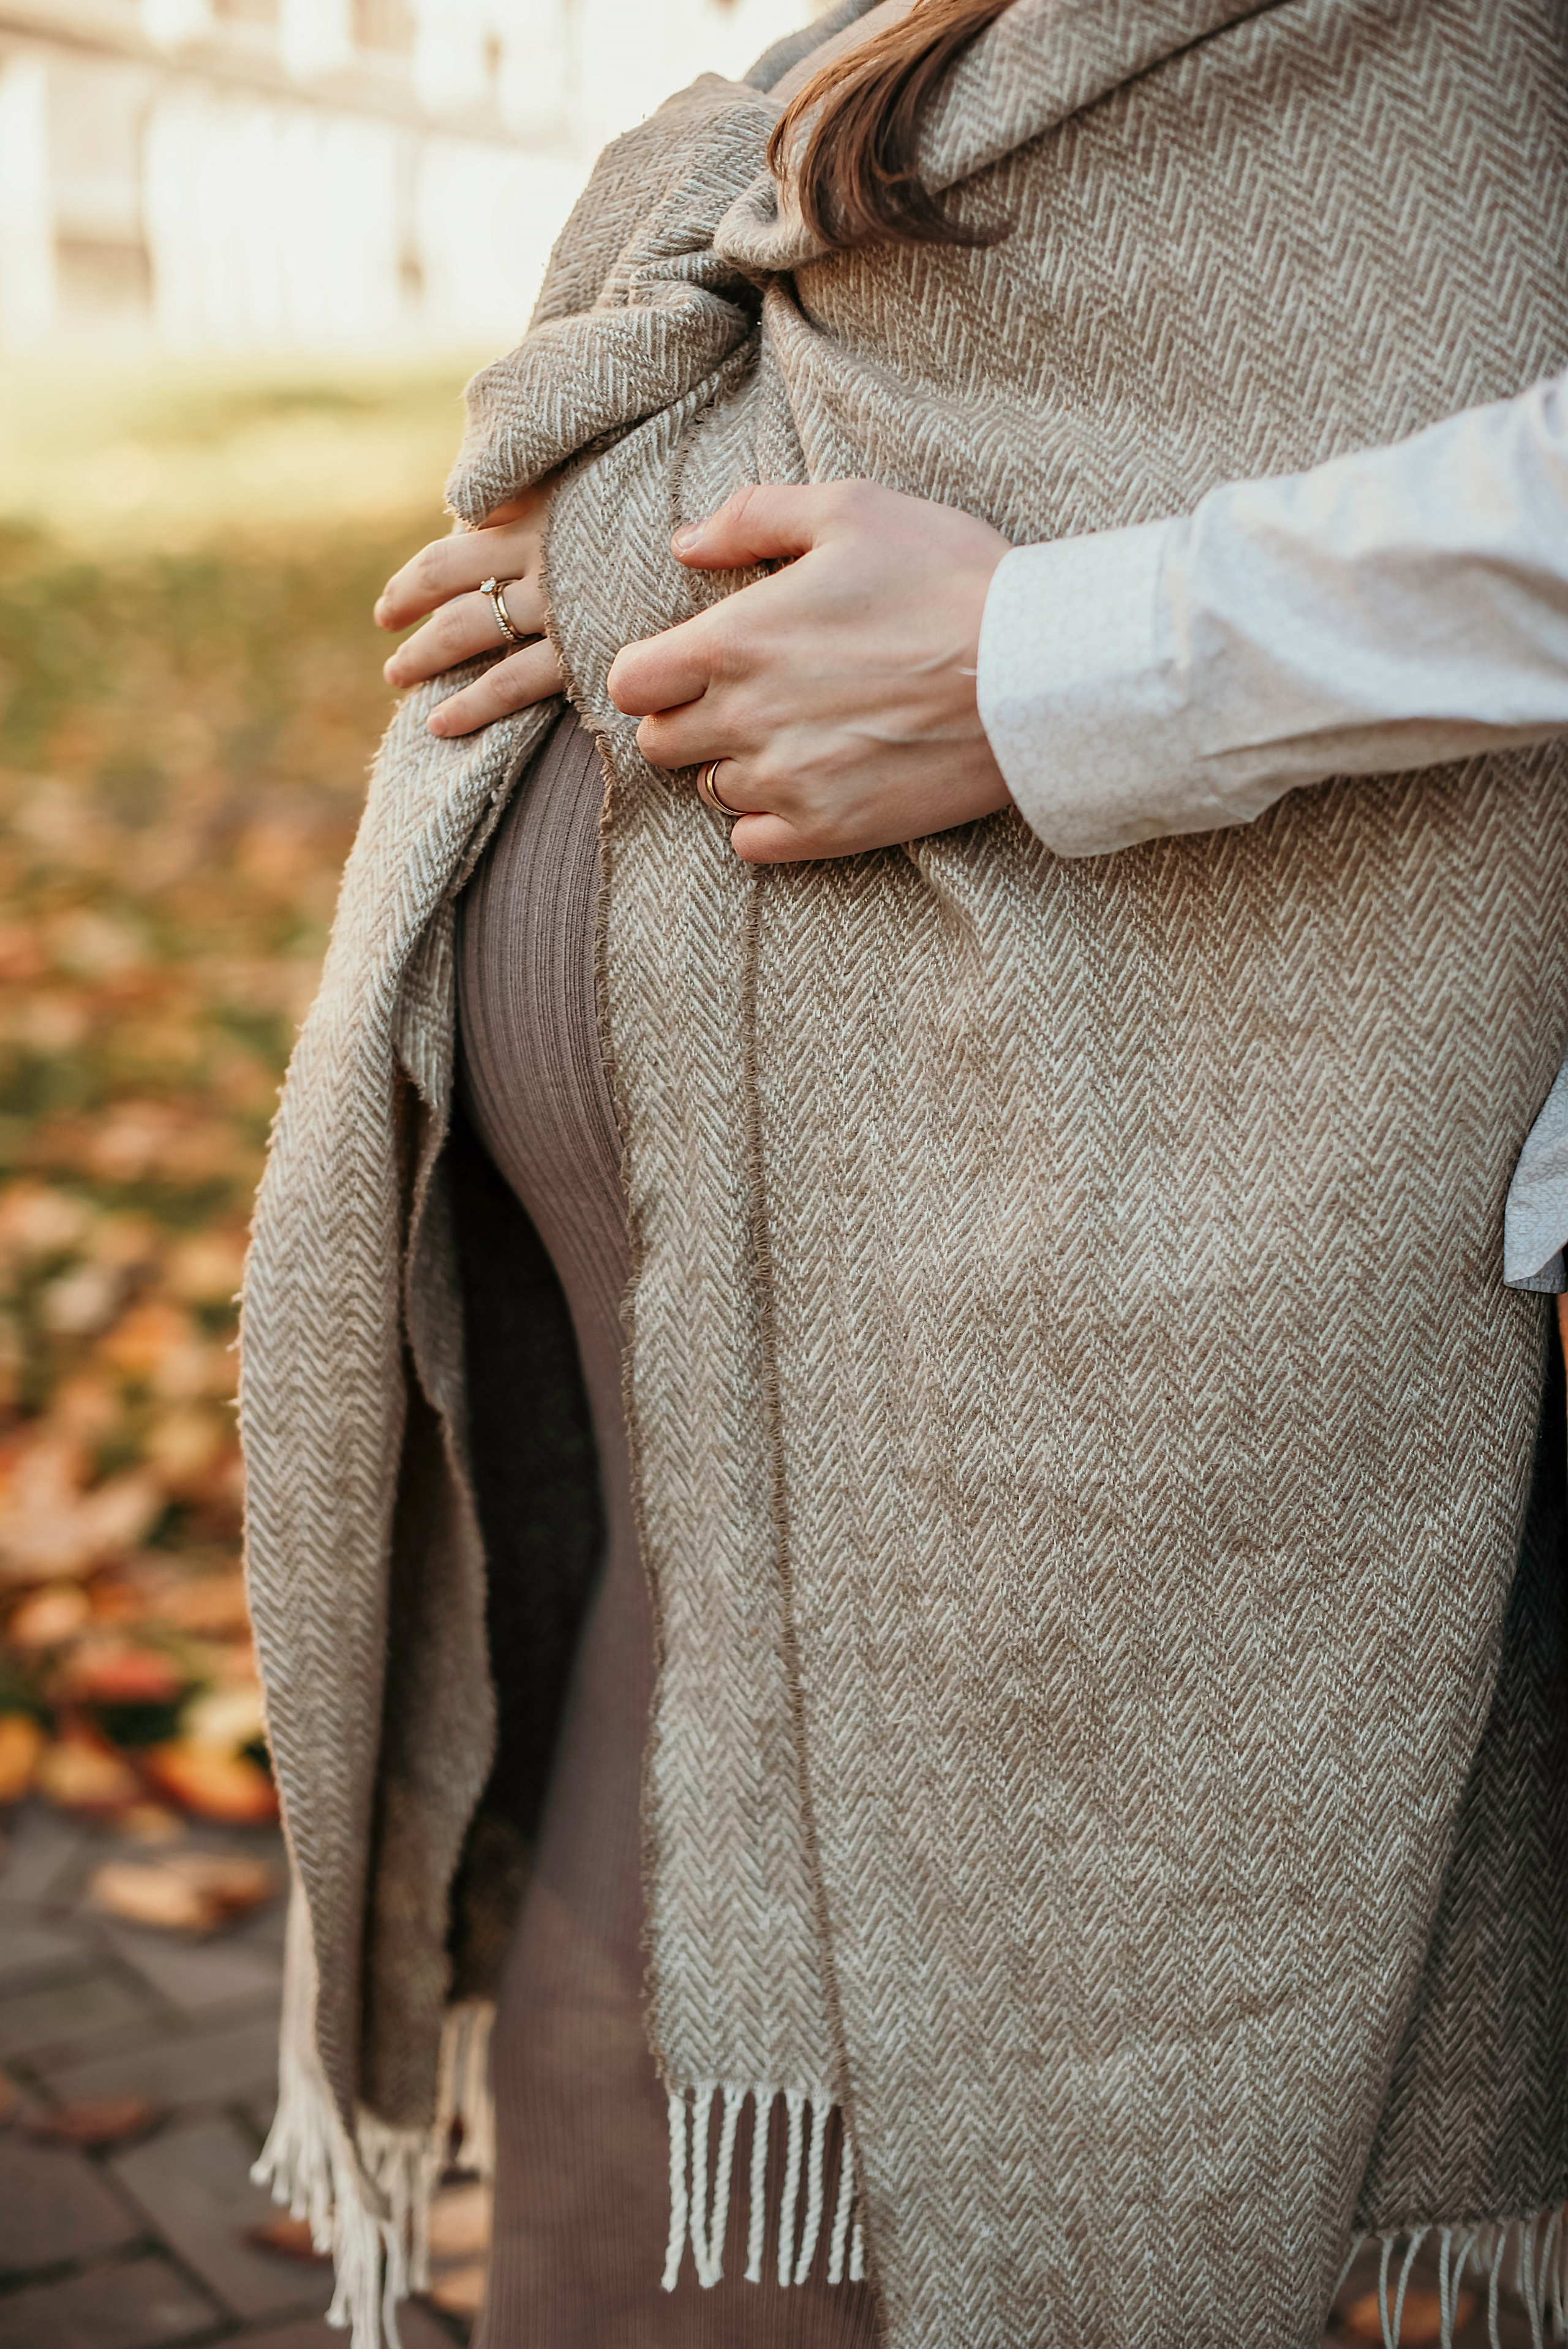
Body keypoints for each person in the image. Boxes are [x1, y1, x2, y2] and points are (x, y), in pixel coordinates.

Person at [242, 2, 1568, 2345]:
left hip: (1211, 1202)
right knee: (671, 1954)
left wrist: (1059, 656)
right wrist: (649, 474)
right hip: (723, 1320)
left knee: (985, 2070)